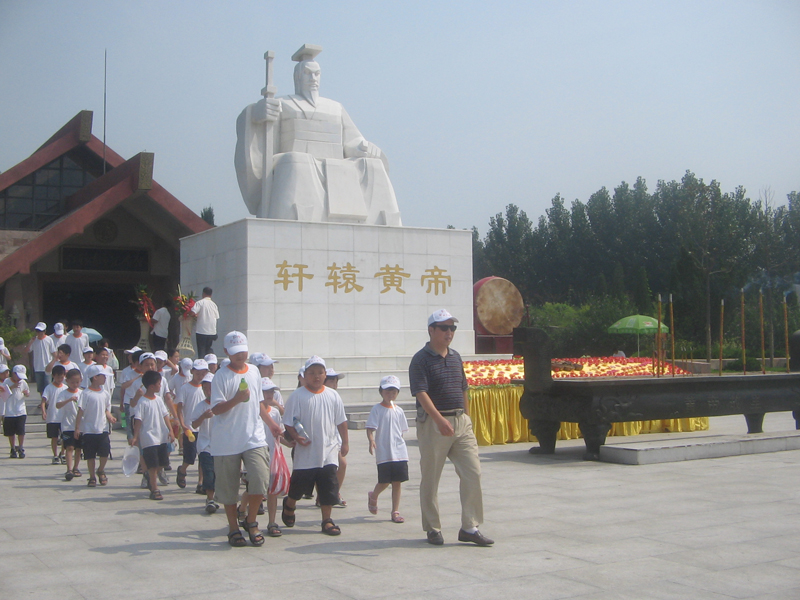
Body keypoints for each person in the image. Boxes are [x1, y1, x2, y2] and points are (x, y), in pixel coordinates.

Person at [235, 44, 402, 226]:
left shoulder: (335, 107)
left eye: (316, 73)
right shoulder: (283, 104)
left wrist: (361, 146)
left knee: (372, 166)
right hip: (300, 163)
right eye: (307, 73)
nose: (313, 78)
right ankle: (295, 217)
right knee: (297, 162)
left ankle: (386, 222)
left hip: (337, 165)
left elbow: (352, 140)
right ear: (297, 77)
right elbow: (256, 130)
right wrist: (256, 114)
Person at [409, 309, 493, 547]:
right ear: (431, 330)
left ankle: (470, 526)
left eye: (452, 328)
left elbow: (464, 387)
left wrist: (465, 416)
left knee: (473, 472)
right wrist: (439, 420)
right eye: (444, 328)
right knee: (431, 478)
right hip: (434, 424)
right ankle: (433, 528)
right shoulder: (420, 359)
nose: (449, 333)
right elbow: (421, 393)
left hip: (460, 422)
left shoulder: (455, 356)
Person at [210, 331, 282, 547]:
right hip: (226, 441)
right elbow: (216, 409)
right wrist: (236, 400)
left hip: (254, 437)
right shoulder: (220, 376)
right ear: (226, 352)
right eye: (234, 352)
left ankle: (251, 521)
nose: (239, 356)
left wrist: (271, 424)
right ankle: (233, 528)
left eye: (242, 351)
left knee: (261, 479)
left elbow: (259, 403)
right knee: (229, 490)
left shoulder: (253, 372)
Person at [281, 356, 349, 536]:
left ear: (325, 374)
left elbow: (341, 421)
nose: (316, 376)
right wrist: (296, 436)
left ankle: (326, 520)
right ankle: (290, 504)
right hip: (306, 451)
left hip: (328, 450)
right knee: (299, 487)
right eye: (312, 373)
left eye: (320, 372)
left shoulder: (333, 395)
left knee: (328, 485)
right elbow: (288, 422)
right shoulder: (297, 396)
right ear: (305, 375)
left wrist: (345, 442)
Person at [366, 375, 409, 523]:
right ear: (381, 392)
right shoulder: (377, 409)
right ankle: (374, 495)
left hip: (399, 452)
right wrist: (371, 440)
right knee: (384, 481)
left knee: (397, 482)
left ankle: (395, 511)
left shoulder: (399, 411)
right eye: (387, 391)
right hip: (384, 451)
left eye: (394, 392)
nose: (390, 394)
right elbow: (370, 428)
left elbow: (401, 431)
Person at [132, 370, 175, 500]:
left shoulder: (159, 400)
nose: (160, 386)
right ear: (151, 386)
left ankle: (149, 477)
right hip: (149, 438)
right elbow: (138, 420)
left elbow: (165, 415)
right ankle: (154, 488)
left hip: (161, 436)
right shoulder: (142, 402)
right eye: (158, 384)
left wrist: (171, 430)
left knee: (162, 463)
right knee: (153, 464)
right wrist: (135, 436)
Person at [259, 377, 293, 537]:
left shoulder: (274, 412)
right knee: (255, 490)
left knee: (272, 491)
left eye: (271, 391)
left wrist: (290, 443)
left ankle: (272, 522)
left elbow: (278, 434)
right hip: (257, 454)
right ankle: (243, 510)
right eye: (265, 391)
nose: (269, 394)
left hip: (273, 455)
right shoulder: (253, 411)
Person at [74, 364, 116, 487]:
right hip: (89, 429)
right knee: (90, 455)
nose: (105, 378)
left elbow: (106, 409)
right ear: (95, 377)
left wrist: (110, 417)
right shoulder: (86, 393)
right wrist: (77, 428)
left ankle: (101, 469)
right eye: (102, 376)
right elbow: (80, 411)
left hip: (102, 428)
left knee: (104, 452)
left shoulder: (105, 393)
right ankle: (92, 476)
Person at [175, 359, 209, 490]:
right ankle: (182, 470)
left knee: (203, 456)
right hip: (190, 427)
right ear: (193, 371)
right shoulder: (185, 388)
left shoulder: (207, 389)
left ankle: (201, 482)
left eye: (203, 373)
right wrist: (182, 424)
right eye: (198, 373)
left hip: (204, 428)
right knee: (190, 456)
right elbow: (179, 407)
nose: (200, 376)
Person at [191, 372, 218, 512]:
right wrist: (203, 416)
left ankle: (218, 496)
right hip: (205, 445)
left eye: (211, 388)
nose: (208, 391)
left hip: (220, 445)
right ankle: (210, 498)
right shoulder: (201, 406)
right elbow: (194, 424)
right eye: (206, 388)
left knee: (219, 473)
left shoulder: (221, 405)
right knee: (208, 471)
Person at [324, 367, 347, 507]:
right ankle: (323, 495)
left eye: (336, 381)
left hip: (334, 439)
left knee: (342, 464)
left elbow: (341, 421)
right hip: (321, 439)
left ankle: (334, 493)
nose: (334, 384)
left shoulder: (336, 398)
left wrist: (345, 441)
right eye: (331, 380)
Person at [56, 369, 83, 480]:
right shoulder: (63, 393)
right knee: (69, 447)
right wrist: (69, 400)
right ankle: (69, 469)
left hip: (80, 425)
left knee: (78, 448)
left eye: (77, 382)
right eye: (72, 382)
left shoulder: (82, 393)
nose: (75, 384)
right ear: (67, 381)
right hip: (67, 425)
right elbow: (58, 405)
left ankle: (76, 467)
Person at [41, 364, 67, 464]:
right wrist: (44, 412)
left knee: (65, 437)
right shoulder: (49, 388)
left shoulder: (65, 388)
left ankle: (63, 453)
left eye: (62, 377)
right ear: (53, 376)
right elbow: (43, 401)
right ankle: (55, 455)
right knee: (54, 437)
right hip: (52, 417)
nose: (60, 379)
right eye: (57, 377)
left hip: (63, 417)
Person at [3, 365, 30, 458]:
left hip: (21, 410)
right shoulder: (6, 382)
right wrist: (11, 387)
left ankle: (21, 446)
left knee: (21, 431)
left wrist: (27, 394)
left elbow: (27, 392)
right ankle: (12, 448)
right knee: (11, 432)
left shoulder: (23, 382)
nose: (19, 379)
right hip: (10, 411)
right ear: (13, 374)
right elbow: (2, 394)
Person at [26, 322, 57, 393]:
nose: (39, 333)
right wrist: (30, 342)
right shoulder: (34, 340)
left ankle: (47, 402)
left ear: (44, 331)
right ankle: (43, 401)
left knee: (47, 385)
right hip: (37, 367)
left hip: (47, 366)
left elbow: (54, 354)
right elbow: (27, 350)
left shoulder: (49, 340)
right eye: (38, 331)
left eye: (41, 331)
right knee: (40, 387)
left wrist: (51, 364)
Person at [191, 287, 219, 357]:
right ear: (211, 295)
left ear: (203, 294)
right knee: (208, 349)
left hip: (201, 331)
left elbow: (192, 313)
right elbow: (217, 317)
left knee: (201, 350)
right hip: (212, 331)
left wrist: (196, 315)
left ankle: (202, 365)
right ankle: (211, 361)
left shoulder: (200, 303)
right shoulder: (214, 305)